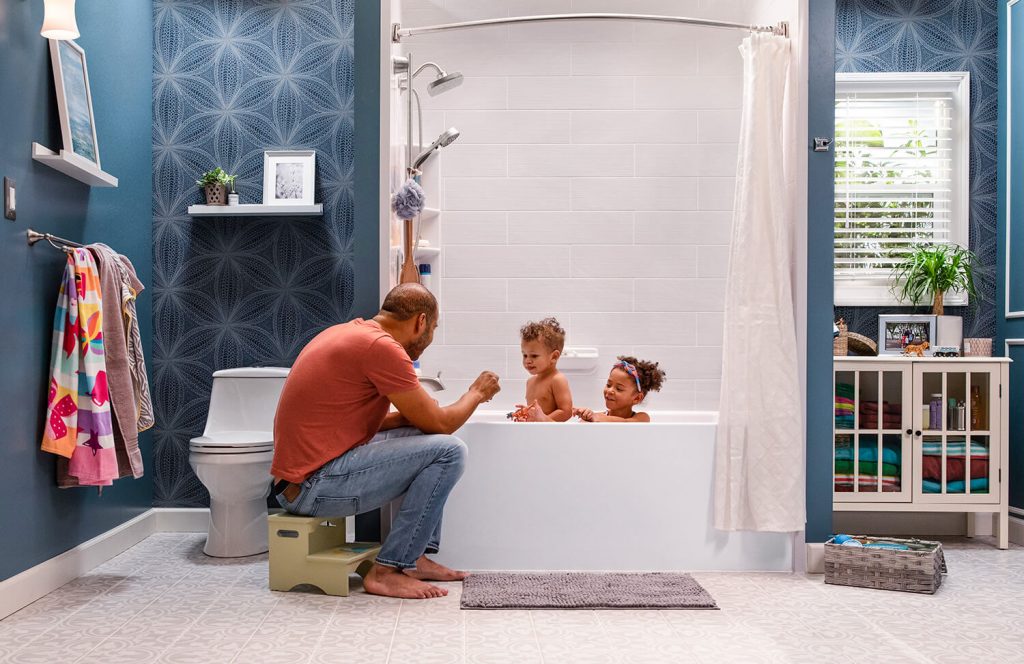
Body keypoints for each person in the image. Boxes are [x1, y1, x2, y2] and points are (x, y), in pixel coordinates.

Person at [271, 284, 501, 600]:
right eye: (433, 328)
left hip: (297, 482)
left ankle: (414, 557)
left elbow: (348, 420)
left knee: (429, 438)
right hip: (312, 488)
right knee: (449, 451)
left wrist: (413, 417)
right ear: (420, 322)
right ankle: (388, 571)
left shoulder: (352, 333)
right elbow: (443, 425)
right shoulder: (383, 348)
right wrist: (476, 392)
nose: (430, 337)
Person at [573, 356, 666, 423]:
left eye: (619, 389)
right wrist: (586, 418)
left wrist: (595, 417)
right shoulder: (599, 417)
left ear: (637, 398)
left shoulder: (641, 418)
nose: (609, 390)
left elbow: (625, 423)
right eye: (608, 385)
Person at [516, 317, 573, 422]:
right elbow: (537, 411)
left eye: (534, 356)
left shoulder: (557, 380)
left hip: (550, 433)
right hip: (536, 432)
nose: (527, 360)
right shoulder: (530, 382)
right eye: (525, 355)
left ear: (554, 357)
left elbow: (566, 411)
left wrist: (542, 420)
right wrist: (525, 414)